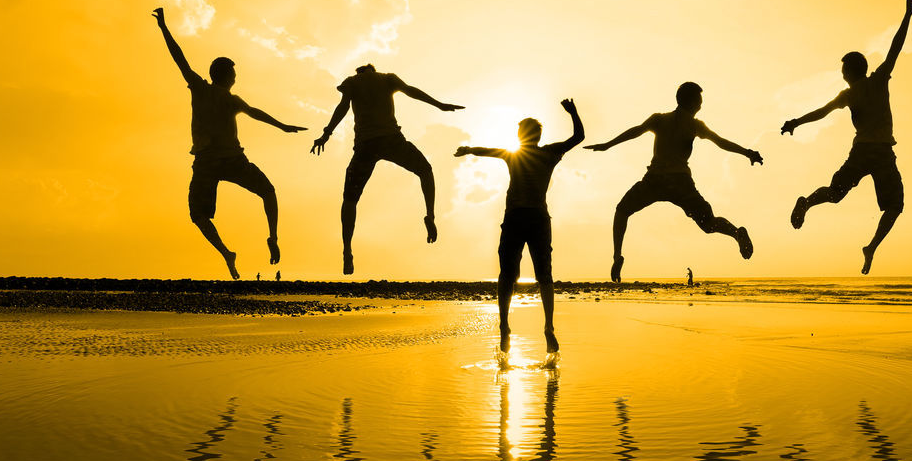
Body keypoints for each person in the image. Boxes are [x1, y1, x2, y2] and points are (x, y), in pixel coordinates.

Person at [152, 7, 306, 280]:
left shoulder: (200, 90)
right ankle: (271, 237)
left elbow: (180, 60)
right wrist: (282, 126)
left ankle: (226, 253)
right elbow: (255, 112)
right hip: (232, 162)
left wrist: (164, 27)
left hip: (207, 163)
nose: (236, 77)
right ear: (227, 76)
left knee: (199, 216)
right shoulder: (227, 98)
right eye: (234, 73)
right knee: (268, 192)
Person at [782, 0, 912, 274]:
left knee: (833, 194)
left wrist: (796, 121)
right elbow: (895, 49)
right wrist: (908, 16)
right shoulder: (878, 81)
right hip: (880, 154)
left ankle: (807, 202)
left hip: (861, 153)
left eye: (843, 69)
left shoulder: (849, 93)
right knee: (894, 206)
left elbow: (821, 112)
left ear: (848, 71)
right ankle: (871, 247)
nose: (842, 72)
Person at [585, 82, 762, 282]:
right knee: (709, 224)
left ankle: (617, 256)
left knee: (622, 210)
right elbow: (720, 142)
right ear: (693, 103)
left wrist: (608, 145)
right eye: (700, 102)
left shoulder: (659, 120)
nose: (702, 106)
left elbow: (636, 131)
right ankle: (736, 233)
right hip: (680, 183)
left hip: (655, 181)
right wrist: (747, 153)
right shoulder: (695, 125)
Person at [455, 99, 584, 355]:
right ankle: (548, 326)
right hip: (537, 218)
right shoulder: (549, 154)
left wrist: (469, 149)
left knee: (507, 276)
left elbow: (486, 150)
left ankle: (505, 326)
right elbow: (578, 136)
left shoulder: (512, 154)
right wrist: (573, 112)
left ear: (519, 136)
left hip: (515, 217)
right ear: (538, 136)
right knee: (544, 276)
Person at [312, 65, 463, 274]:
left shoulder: (352, 82)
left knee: (350, 200)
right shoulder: (387, 79)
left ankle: (347, 249)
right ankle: (430, 215)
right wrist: (439, 105)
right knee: (425, 171)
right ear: (373, 70)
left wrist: (326, 134)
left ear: (360, 72)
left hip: (366, 146)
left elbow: (343, 107)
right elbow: (411, 91)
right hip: (392, 140)